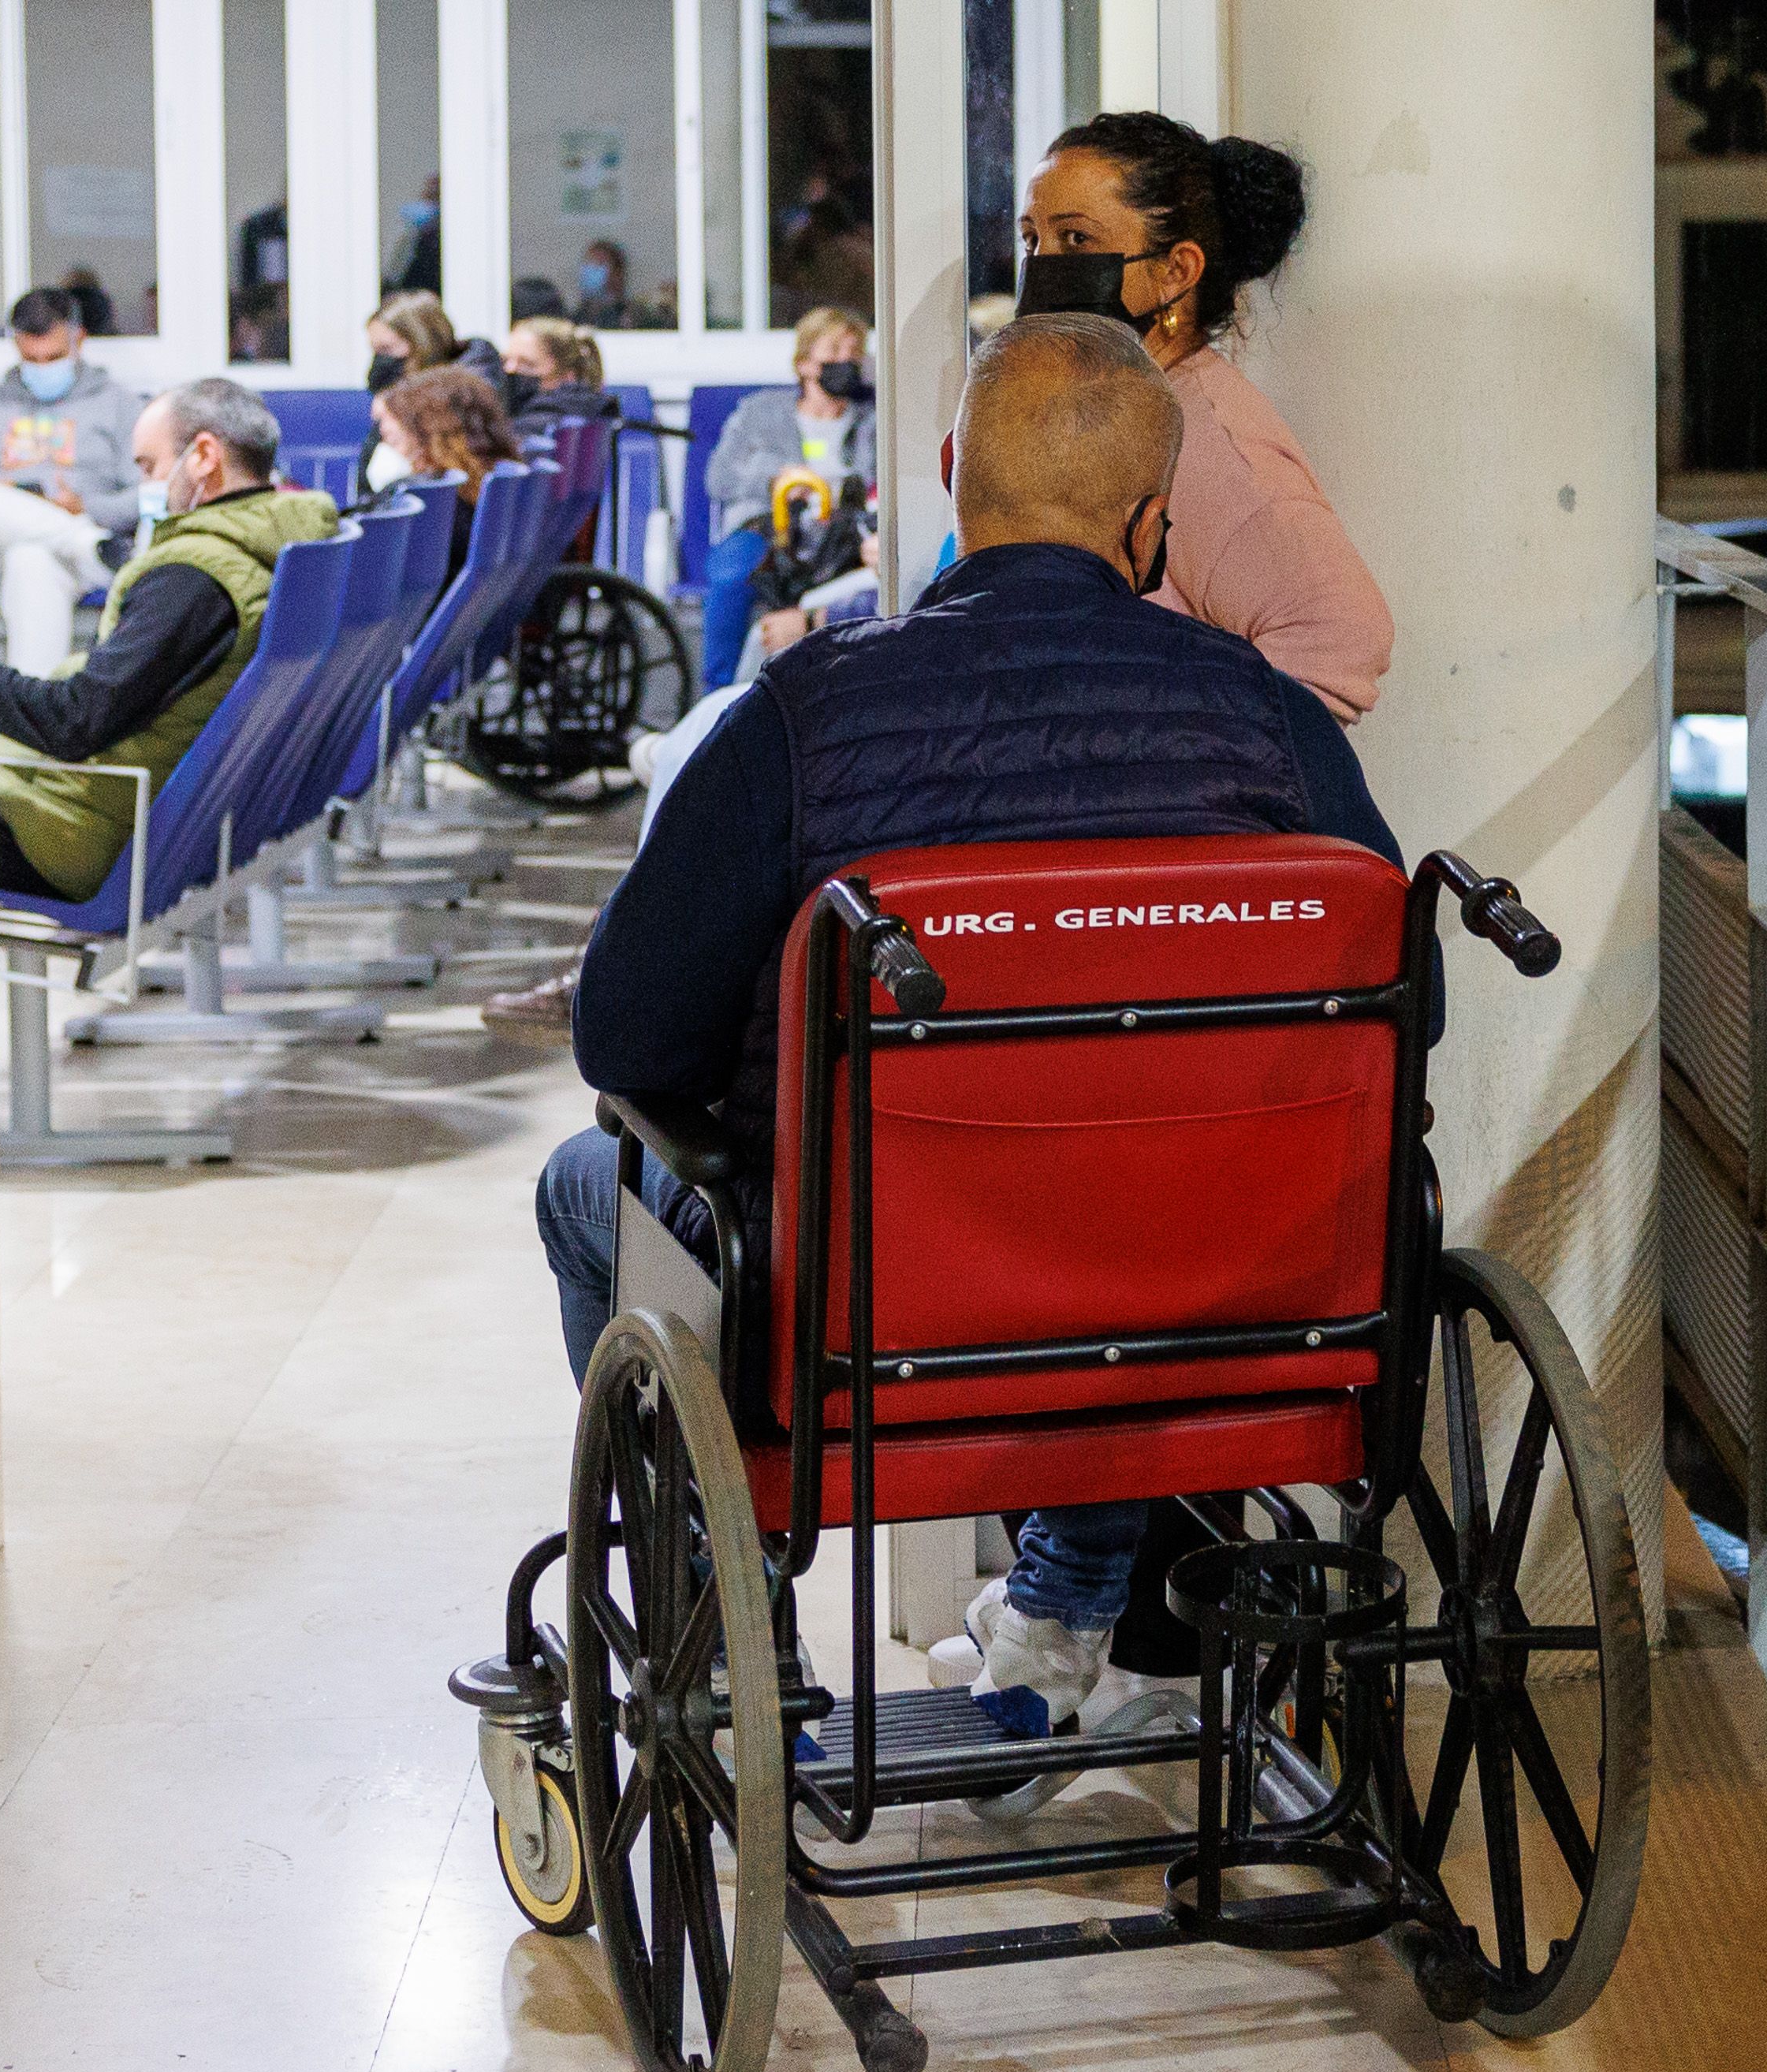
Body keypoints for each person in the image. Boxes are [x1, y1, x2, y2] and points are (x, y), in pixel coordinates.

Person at [536, 315, 1411, 1738]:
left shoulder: (804, 715)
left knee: (587, 1181)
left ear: (952, 473)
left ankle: (730, 1635)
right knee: (1120, 1169)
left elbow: (626, 1045)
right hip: (1220, 1299)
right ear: (1152, 525)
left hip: (865, 1316)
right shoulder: (1265, 718)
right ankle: (1060, 1617)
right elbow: (1390, 995)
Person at [1017, 112, 1392, 725]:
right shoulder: (1128, 411)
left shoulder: (1207, 442)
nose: (1042, 265)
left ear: (1176, 272)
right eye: (1032, 240)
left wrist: (1177, 755)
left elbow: (1343, 638)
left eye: (1076, 240)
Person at [0, 379, 338, 902]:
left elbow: (75, 723)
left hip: (78, 836)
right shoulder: (282, 544)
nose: (148, 484)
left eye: (150, 466)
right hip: (146, 820)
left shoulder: (192, 578)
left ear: (203, 457)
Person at [697, 304, 878, 687]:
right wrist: (774, 479)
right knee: (732, 573)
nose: (845, 362)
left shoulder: (874, 419)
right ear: (804, 364)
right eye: (834, 352)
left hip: (842, 537)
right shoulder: (760, 413)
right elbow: (719, 478)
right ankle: (718, 691)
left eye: (854, 353)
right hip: (769, 527)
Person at [0, 287, 144, 675]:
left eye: (54, 357)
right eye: (31, 359)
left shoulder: (119, 405)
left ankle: (30, 704)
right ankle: (84, 542)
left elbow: (148, 494)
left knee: (30, 558)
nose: (42, 367)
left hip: (84, 538)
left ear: (79, 339)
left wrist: (86, 506)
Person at [368, 366, 520, 572]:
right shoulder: (494, 485)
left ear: (429, 432)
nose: (384, 435)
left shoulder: (426, 500)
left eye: (392, 440)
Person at [361, 290, 505, 493]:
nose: (379, 361)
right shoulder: (397, 395)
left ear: (422, 344)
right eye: (375, 351)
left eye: (386, 349)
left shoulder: (465, 392)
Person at [498, 315, 619, 430]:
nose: (509, 370)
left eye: (527, 364)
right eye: (505, 361)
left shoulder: (565, 421)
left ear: (568, 376)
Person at [571, 238, 633, 329]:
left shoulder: (628, 316)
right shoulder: (577, 317)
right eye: (589, 264)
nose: (590, 271)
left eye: (599, 264)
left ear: (617, 273)